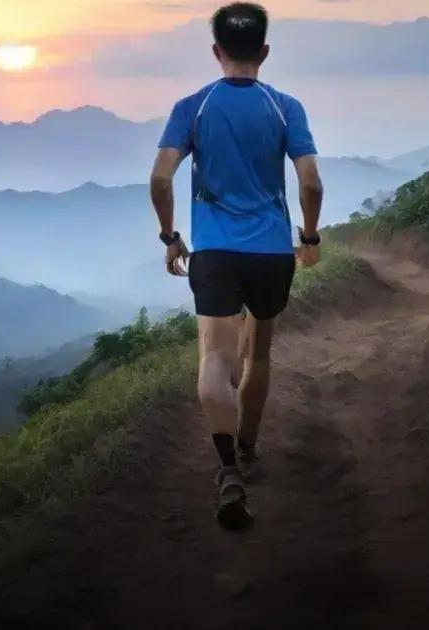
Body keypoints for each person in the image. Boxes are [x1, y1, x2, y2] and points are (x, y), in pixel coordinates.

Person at [149, 2, 324, 530]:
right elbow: (311, 183)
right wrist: (310, 237)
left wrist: (171, 237)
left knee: (215, 357)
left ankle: (227, 470)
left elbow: (159, 180)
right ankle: (248, 446)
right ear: (264, 52)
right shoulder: (285, 107)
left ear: (216, 51)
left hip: (217, 253)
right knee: (258, 356)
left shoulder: (193, 106)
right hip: (272, 250)